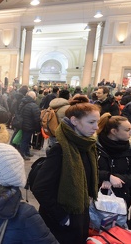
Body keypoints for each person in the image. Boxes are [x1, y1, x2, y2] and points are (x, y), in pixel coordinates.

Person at [32, 95, 100, 244]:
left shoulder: (88, 147)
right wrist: (63, 217)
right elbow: (40, 188)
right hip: (60, 224)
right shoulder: (61, 149)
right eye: (91, 122)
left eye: (97, 122)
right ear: (74, 121)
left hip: (80, 216)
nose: (96, 127)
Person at [96, 113, 131, 229]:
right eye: (127, 130)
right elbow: (86, 172)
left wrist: (115, 178)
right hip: (96, 201)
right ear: (114, 131)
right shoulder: (94, 148)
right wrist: (107, 177)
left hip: (121, 202)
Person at [18, 91, 41, 160]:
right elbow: (37, 119)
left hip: (23, 124)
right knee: (25, 140)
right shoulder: (34, 105)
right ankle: (22, 154)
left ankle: (27, 152)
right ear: (34, 97)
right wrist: (38, 129)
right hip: (29, 126)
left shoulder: (22, 102)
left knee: (26, 139)